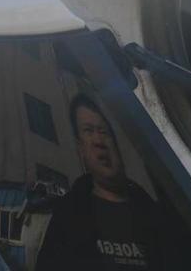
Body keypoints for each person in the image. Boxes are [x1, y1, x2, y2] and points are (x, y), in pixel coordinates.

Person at [36, 94, 181, 270]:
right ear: (80, 147)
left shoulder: (154, 216)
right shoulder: (68, 215)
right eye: (88, 131)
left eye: (104, 131)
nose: (99, 141)